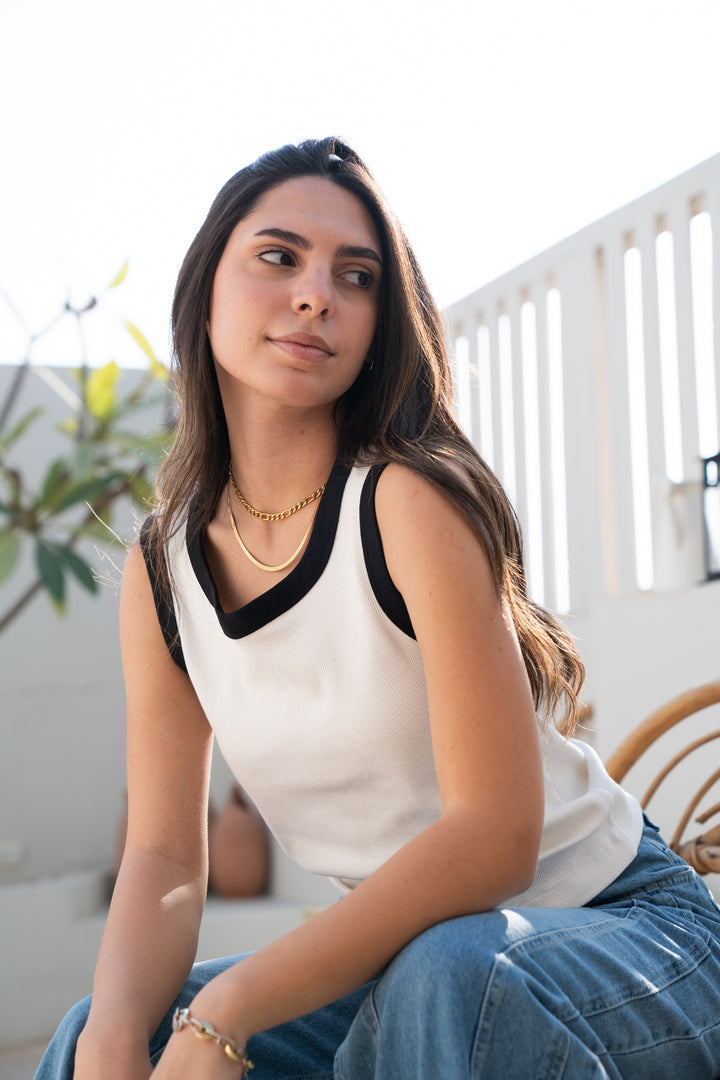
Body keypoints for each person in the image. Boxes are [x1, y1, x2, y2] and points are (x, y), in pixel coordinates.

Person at [36, 137, 720, 1080]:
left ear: (378, 324)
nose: (317, 293)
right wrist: (116, 1038)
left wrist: (225, 1012)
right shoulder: (165, 570)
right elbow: (162, 856)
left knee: (444, 981)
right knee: (97, 1034)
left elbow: (494, 840)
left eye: (356, 276)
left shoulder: (405, 501)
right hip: (424, 960)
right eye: (279, 257)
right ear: (205, 289)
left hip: (631, 935)